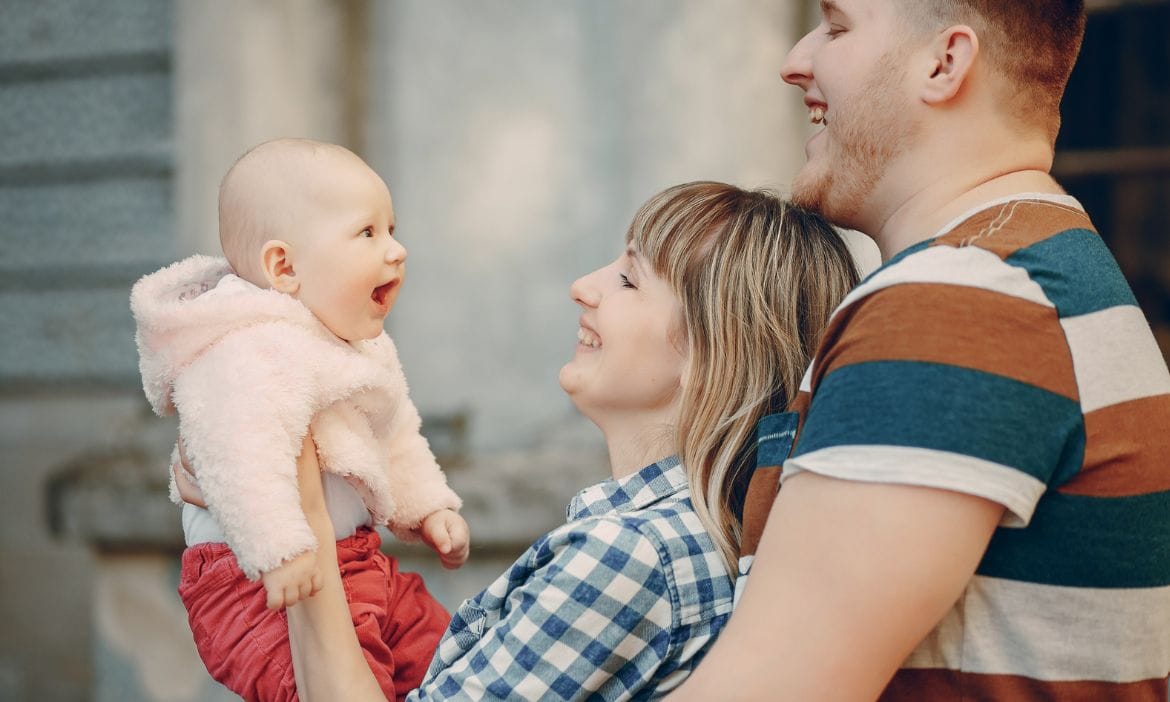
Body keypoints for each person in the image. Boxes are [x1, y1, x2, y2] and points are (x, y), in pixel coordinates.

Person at [670, 1, 1170, 700]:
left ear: (945, 63)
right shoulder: (1039, 274)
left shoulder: (960, 301)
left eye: (838, 27)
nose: (795, 62)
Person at [229, 181, 861, 700]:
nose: (585, 285)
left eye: (631, 280)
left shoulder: (632, 556)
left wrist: (306, 515)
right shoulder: (690, 540)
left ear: (712, 351)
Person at [132, 138, 469, 702]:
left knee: (445, 649)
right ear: (284, 266)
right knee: (320, 680)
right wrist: (280, 551)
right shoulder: (245, 350)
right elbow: (239, 454)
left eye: (393, 228)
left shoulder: (354, 344)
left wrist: (428, 507)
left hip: (358, 561)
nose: (396, 250)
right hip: (251, 582)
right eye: (368, 233)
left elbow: (393, 429)